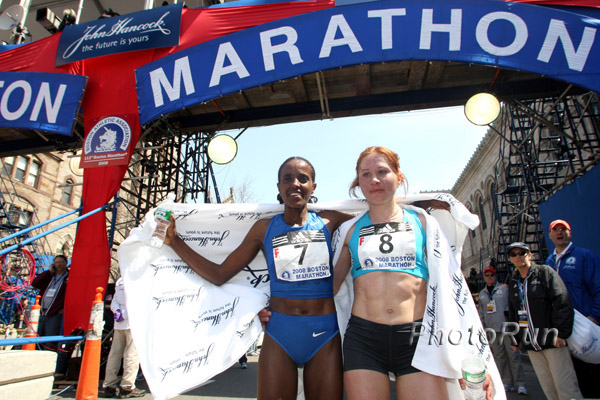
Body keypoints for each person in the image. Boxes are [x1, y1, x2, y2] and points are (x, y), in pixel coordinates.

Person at [164, 156, 350, 400]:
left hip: (324, 333)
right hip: (280, 333)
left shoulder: (332, 220)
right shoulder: (263, 229)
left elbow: (375, 226)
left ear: (313, 187)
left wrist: (415, 208)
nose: (295, 184)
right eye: (287, 179)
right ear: (279, 187)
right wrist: (175, 241)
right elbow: (219, 275)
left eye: (303, 179)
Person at [332, 146, 493, 400]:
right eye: (366, 174)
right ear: (358, 183)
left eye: (382, 171)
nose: (374, 179)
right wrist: (277, 308)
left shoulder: (424, 223)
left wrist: (469, 352)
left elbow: (452, 289)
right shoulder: (349, 231)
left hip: (418, 339)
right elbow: (329, 289)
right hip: (364, 340)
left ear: (399, 177)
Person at [506, 241, 582, 400]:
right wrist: (515, 339)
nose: (518, 257)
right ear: (510, 259)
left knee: (566, 388)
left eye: (522, 253)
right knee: (549, 389)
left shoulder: (544, 273)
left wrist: (561, 333)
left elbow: (562, 301)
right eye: (514, 254)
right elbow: (513, 313)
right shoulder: (513, 282)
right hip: (532, 345)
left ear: (530, 255)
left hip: (553, 341)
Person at [544, 219, 600, 398]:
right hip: (564, 332)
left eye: (564, 229)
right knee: (573, 379)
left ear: (570, 233)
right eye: (556, 230)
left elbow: (598, 288)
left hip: (586, 328)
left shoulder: (584, 256)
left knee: (593, 374)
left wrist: (594, 317)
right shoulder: (549, 262)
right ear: (550, 235)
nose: (560, 233)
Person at [478, 266, 527, 395]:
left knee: (513, 356)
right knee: (499, 357)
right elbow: (481, 312)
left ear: (496, 276)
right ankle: (507, 382)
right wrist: (483, 326)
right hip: (492, 330)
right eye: (487, 275)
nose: (489, 278)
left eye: (492, 275)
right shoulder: (482, 293)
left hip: (506, 328)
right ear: (484, 277)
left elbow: (512, 306)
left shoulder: (504, 289)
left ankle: (520, 383)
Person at [102, 277, 146, 399]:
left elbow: (115, 301)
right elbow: (138, 301)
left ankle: (109, 385)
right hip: (132, 322)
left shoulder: (121, 280)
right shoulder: (137, 278)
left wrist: (118, 311)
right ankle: (127, 386)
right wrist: (123, 313)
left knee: (115, 354)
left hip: (120, 323)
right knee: (131, 354)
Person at [31, 255, 69, 349]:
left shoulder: (69, 277)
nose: (59, 265)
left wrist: (64, 308)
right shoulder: (50, 275)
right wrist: (48, 272)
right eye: (56, 263)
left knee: (50, 338)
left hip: (55, 312)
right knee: (37, 335)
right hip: (42, 311)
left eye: (61, 262)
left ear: (66, 263)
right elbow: (35, 283)